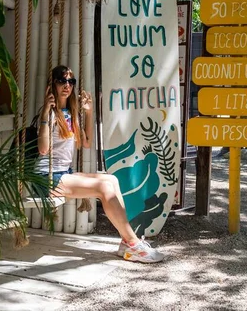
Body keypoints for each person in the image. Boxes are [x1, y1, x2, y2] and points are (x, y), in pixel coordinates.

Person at [35, 65, 166, 263]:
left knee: (111, 179)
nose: (67, 86)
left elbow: (86, 142)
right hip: (47, 177)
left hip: (63, 172)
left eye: (71, 82)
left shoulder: (70, 113)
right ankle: (133, 243)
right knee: (105, 187)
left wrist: (88, 113)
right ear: (52, 84)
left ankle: (126, 242)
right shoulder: (50, 115)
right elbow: (43, 150)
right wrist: (45, 113)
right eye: (62, 81)